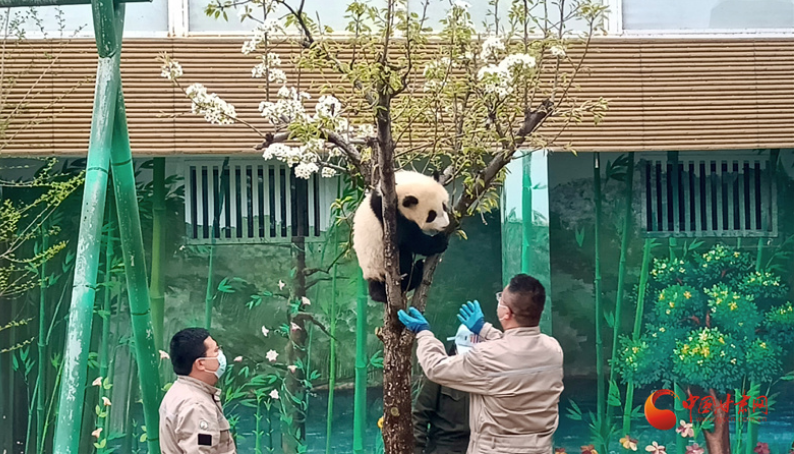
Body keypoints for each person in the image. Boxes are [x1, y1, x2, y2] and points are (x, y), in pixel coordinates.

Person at [399, 274, 564, 454]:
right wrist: (484, 329)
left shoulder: (486, 357)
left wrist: (424, 334)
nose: (499, 300)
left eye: (501, 298)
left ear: (506, 312)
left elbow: (435, 367)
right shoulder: (553, 350)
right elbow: (515, 350)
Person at [159, 327, 237, 454]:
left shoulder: (178, 391)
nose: (221, 355)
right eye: (216, 351)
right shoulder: (197, 406)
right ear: (201, 363)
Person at [412, 325, 477, 454]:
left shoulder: (489, 379)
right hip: (443, 447)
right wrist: (417, 450)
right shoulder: (439, 376)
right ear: (455, 350)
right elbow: (419, 415)